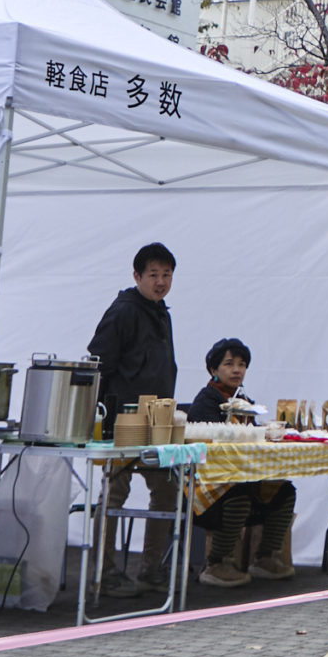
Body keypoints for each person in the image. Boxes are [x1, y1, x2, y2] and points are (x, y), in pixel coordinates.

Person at [87, 242, 180, 596]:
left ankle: (151, 569)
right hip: (122, 422)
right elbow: (99, 363)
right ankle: (105, 572)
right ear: (136, 276)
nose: (160, 282)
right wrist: (102, 417)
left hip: (157, 422)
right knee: (115, 493)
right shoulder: (124, 310)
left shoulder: (162, 312)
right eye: (153, 275)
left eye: (167, 275)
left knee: (167, 491)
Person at [185, 339, 296, 585]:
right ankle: (216, 563)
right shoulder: (205, 402)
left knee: (284, 490)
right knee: (239, 494)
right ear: (213, 370)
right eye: (229, 364)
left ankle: (265, 557)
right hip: (207, 486)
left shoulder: (244, 401)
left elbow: (251, 437)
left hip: (241, 477)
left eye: (242, 364)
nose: (237, 370)